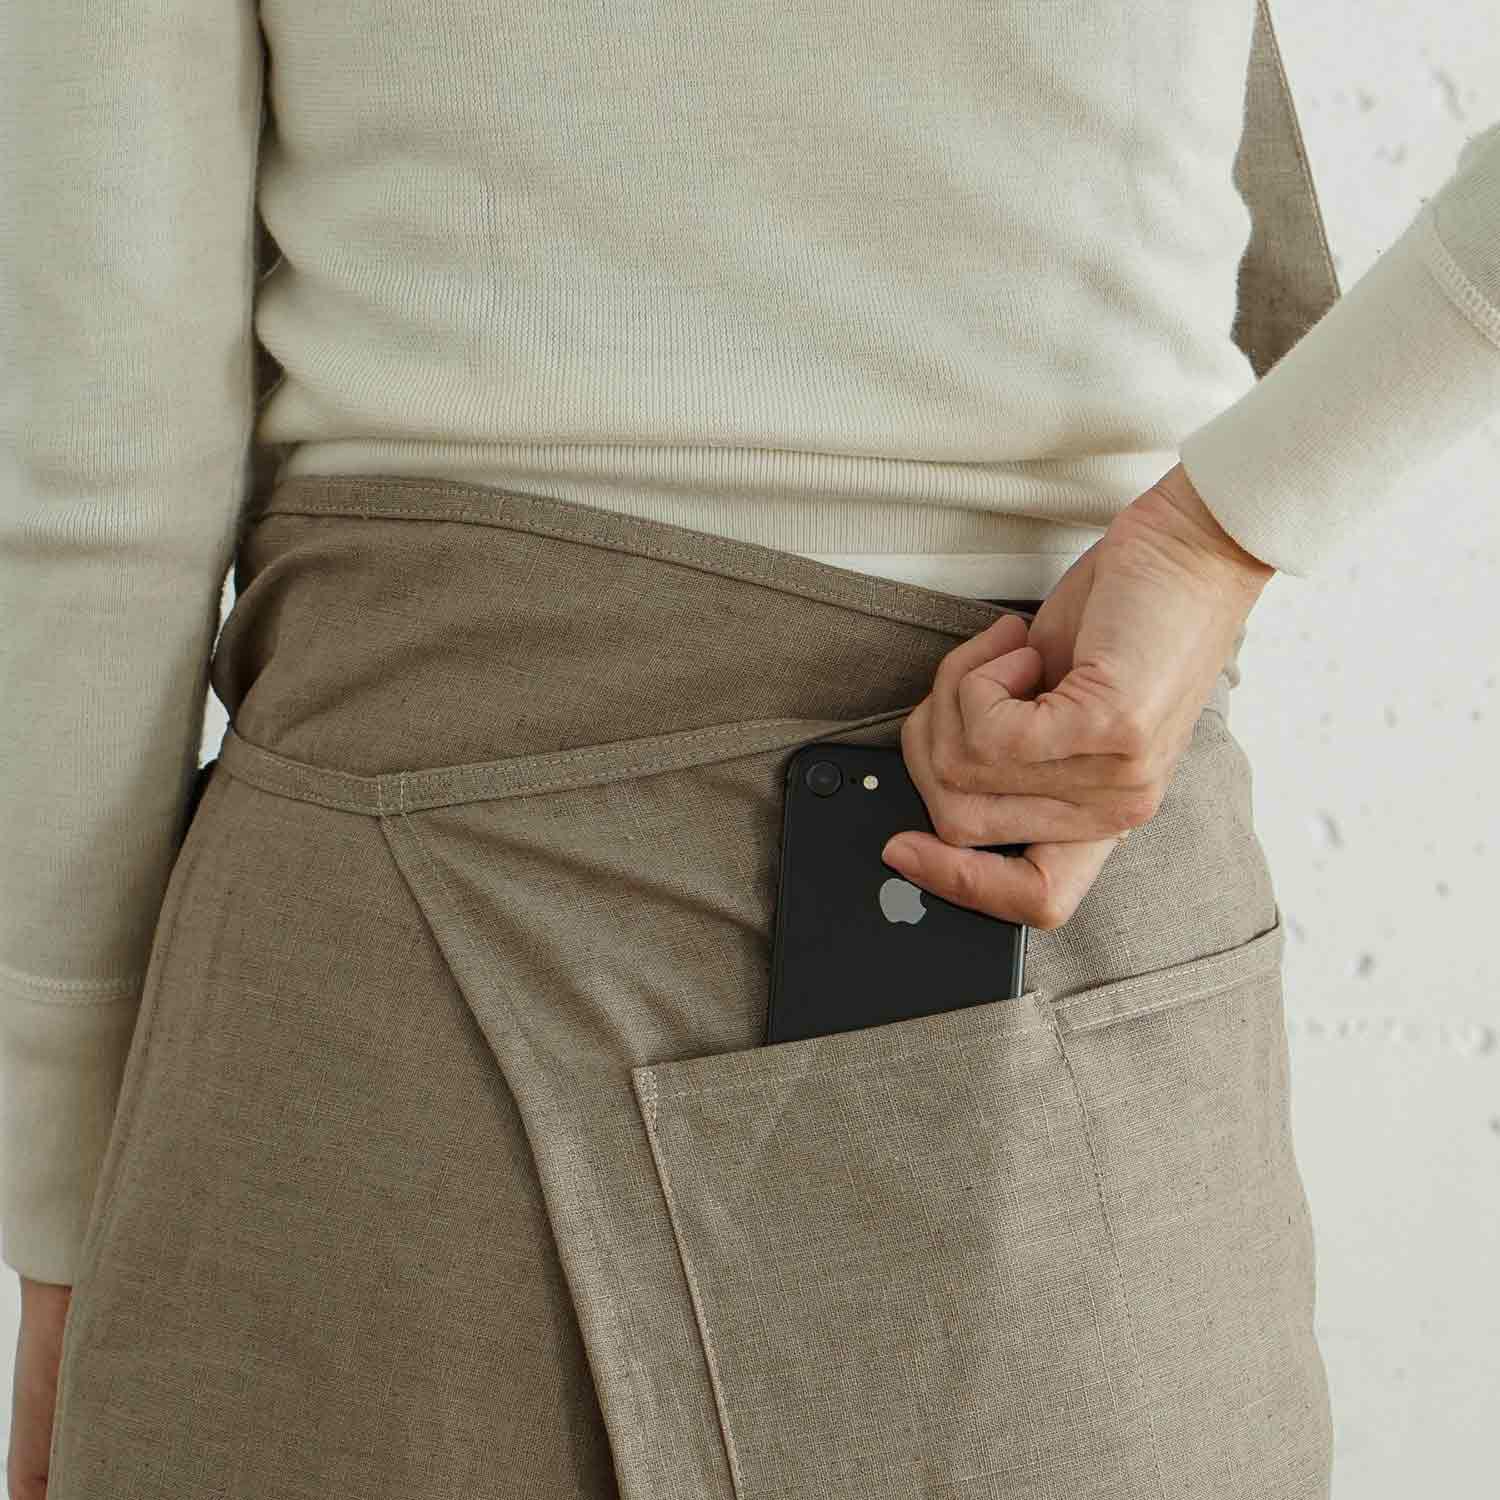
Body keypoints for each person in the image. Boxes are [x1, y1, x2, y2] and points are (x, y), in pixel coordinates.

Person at [4, 2, 1497, 1496]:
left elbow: (100, 476)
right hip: (1046, 930)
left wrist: (68, 1219)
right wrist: (1220, 532)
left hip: (386, 1007)